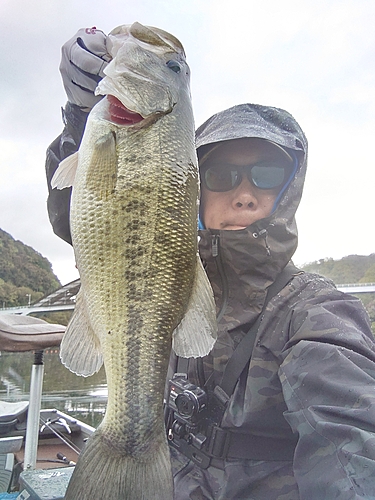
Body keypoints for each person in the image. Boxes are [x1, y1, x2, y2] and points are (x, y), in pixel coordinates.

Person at [45, 28, 375, 500]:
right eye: (220, 174)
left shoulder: (316, 315)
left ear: (289, 192)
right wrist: (80, 119)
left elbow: (355, 439)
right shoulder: (177, 270)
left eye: (266, 175)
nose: (244, 193)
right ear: (191, 189)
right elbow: (87, 218)